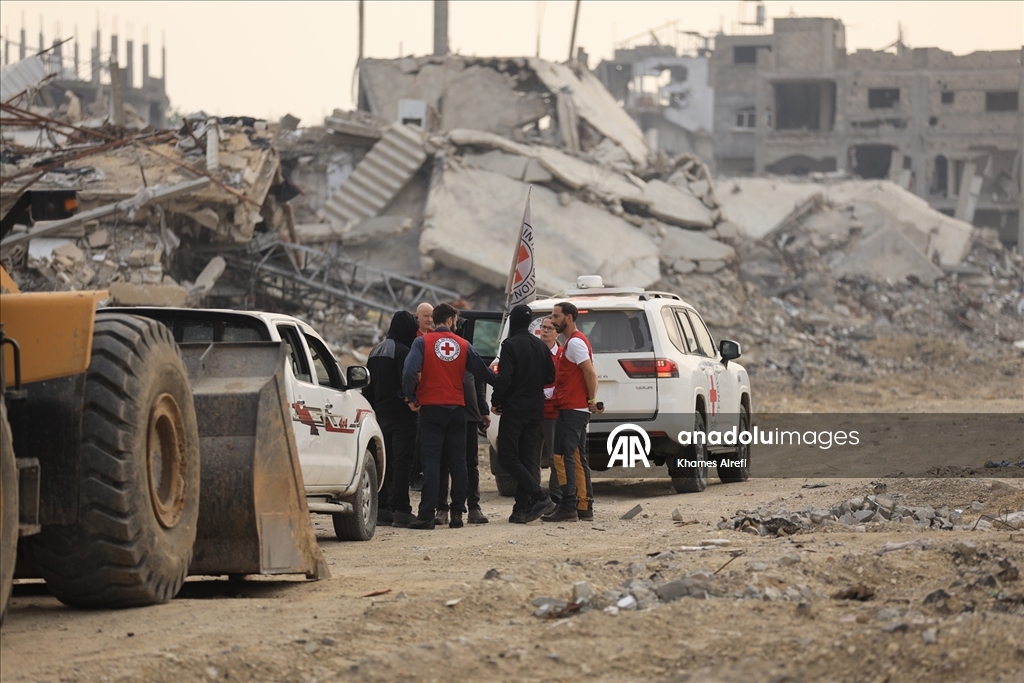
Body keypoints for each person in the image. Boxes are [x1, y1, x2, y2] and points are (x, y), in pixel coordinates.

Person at [402, 303, 495, 529]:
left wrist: (410, 397)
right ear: (452, 319)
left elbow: (409, 371)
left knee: (432, 462)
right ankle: (457, 515)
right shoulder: (464, 344)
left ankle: (427, 514)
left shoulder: (421, 342)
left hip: (431, 410)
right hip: (457, 410)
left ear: (434, 319)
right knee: (459, 462)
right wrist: (505, 388)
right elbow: (483, 373)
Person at [491, 304, 557, 524]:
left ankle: (539, 497)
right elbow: (550, 376)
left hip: (515, 409)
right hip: (535, 409)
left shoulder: (510, 345)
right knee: (528, 459)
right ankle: (521, 509)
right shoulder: (540, 346)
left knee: (508, 457)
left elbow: (505, 377)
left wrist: (496, 401)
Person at [542, 301, 599, 523]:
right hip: (571, 407)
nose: (553, 320)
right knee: (572, 456)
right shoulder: (572, 343)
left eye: (556, 316)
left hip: (573, 409)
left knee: (565, 456)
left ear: (569, 318)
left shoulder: (575, 343)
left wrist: (591, 400)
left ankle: (569, 506)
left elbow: (591, 374)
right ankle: (583, 505)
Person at [363, 311, 420, 527]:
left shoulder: (375, 350)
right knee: (403, 463)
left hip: (380, 415)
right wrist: (411, 400)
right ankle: (402, 510)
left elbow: (367, 385)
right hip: (402, 415)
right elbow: (407, 380)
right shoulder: (404, 351)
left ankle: (383, 508)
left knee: (384, 464)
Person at [436, 364, 491, 525]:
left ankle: (474, 507)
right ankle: (442, 508)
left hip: (469, 416)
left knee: (470, 463)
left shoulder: (468, 353)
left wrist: (483, 410)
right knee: (444, 462)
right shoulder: (441, 352)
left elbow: (478, 384)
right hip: (446, 414)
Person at [534, 316, 561, 505]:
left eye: (549, 328)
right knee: (531, 456)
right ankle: (535, 495)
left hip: (553, 413)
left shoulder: (562, 355)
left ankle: (557, 496)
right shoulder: (533, 351)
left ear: (557, 332)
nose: (544, 331)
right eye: (543, 327)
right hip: (534, 412)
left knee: (554, 457)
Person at [409, 304, 435, 492]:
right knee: (415, 439)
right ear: (417, 316)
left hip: (431, 395)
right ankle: (414, 475)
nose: (429, 319)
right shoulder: (414, 338)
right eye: (425, 316)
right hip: (416, 396)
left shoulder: (434, 337)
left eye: (431, 316)